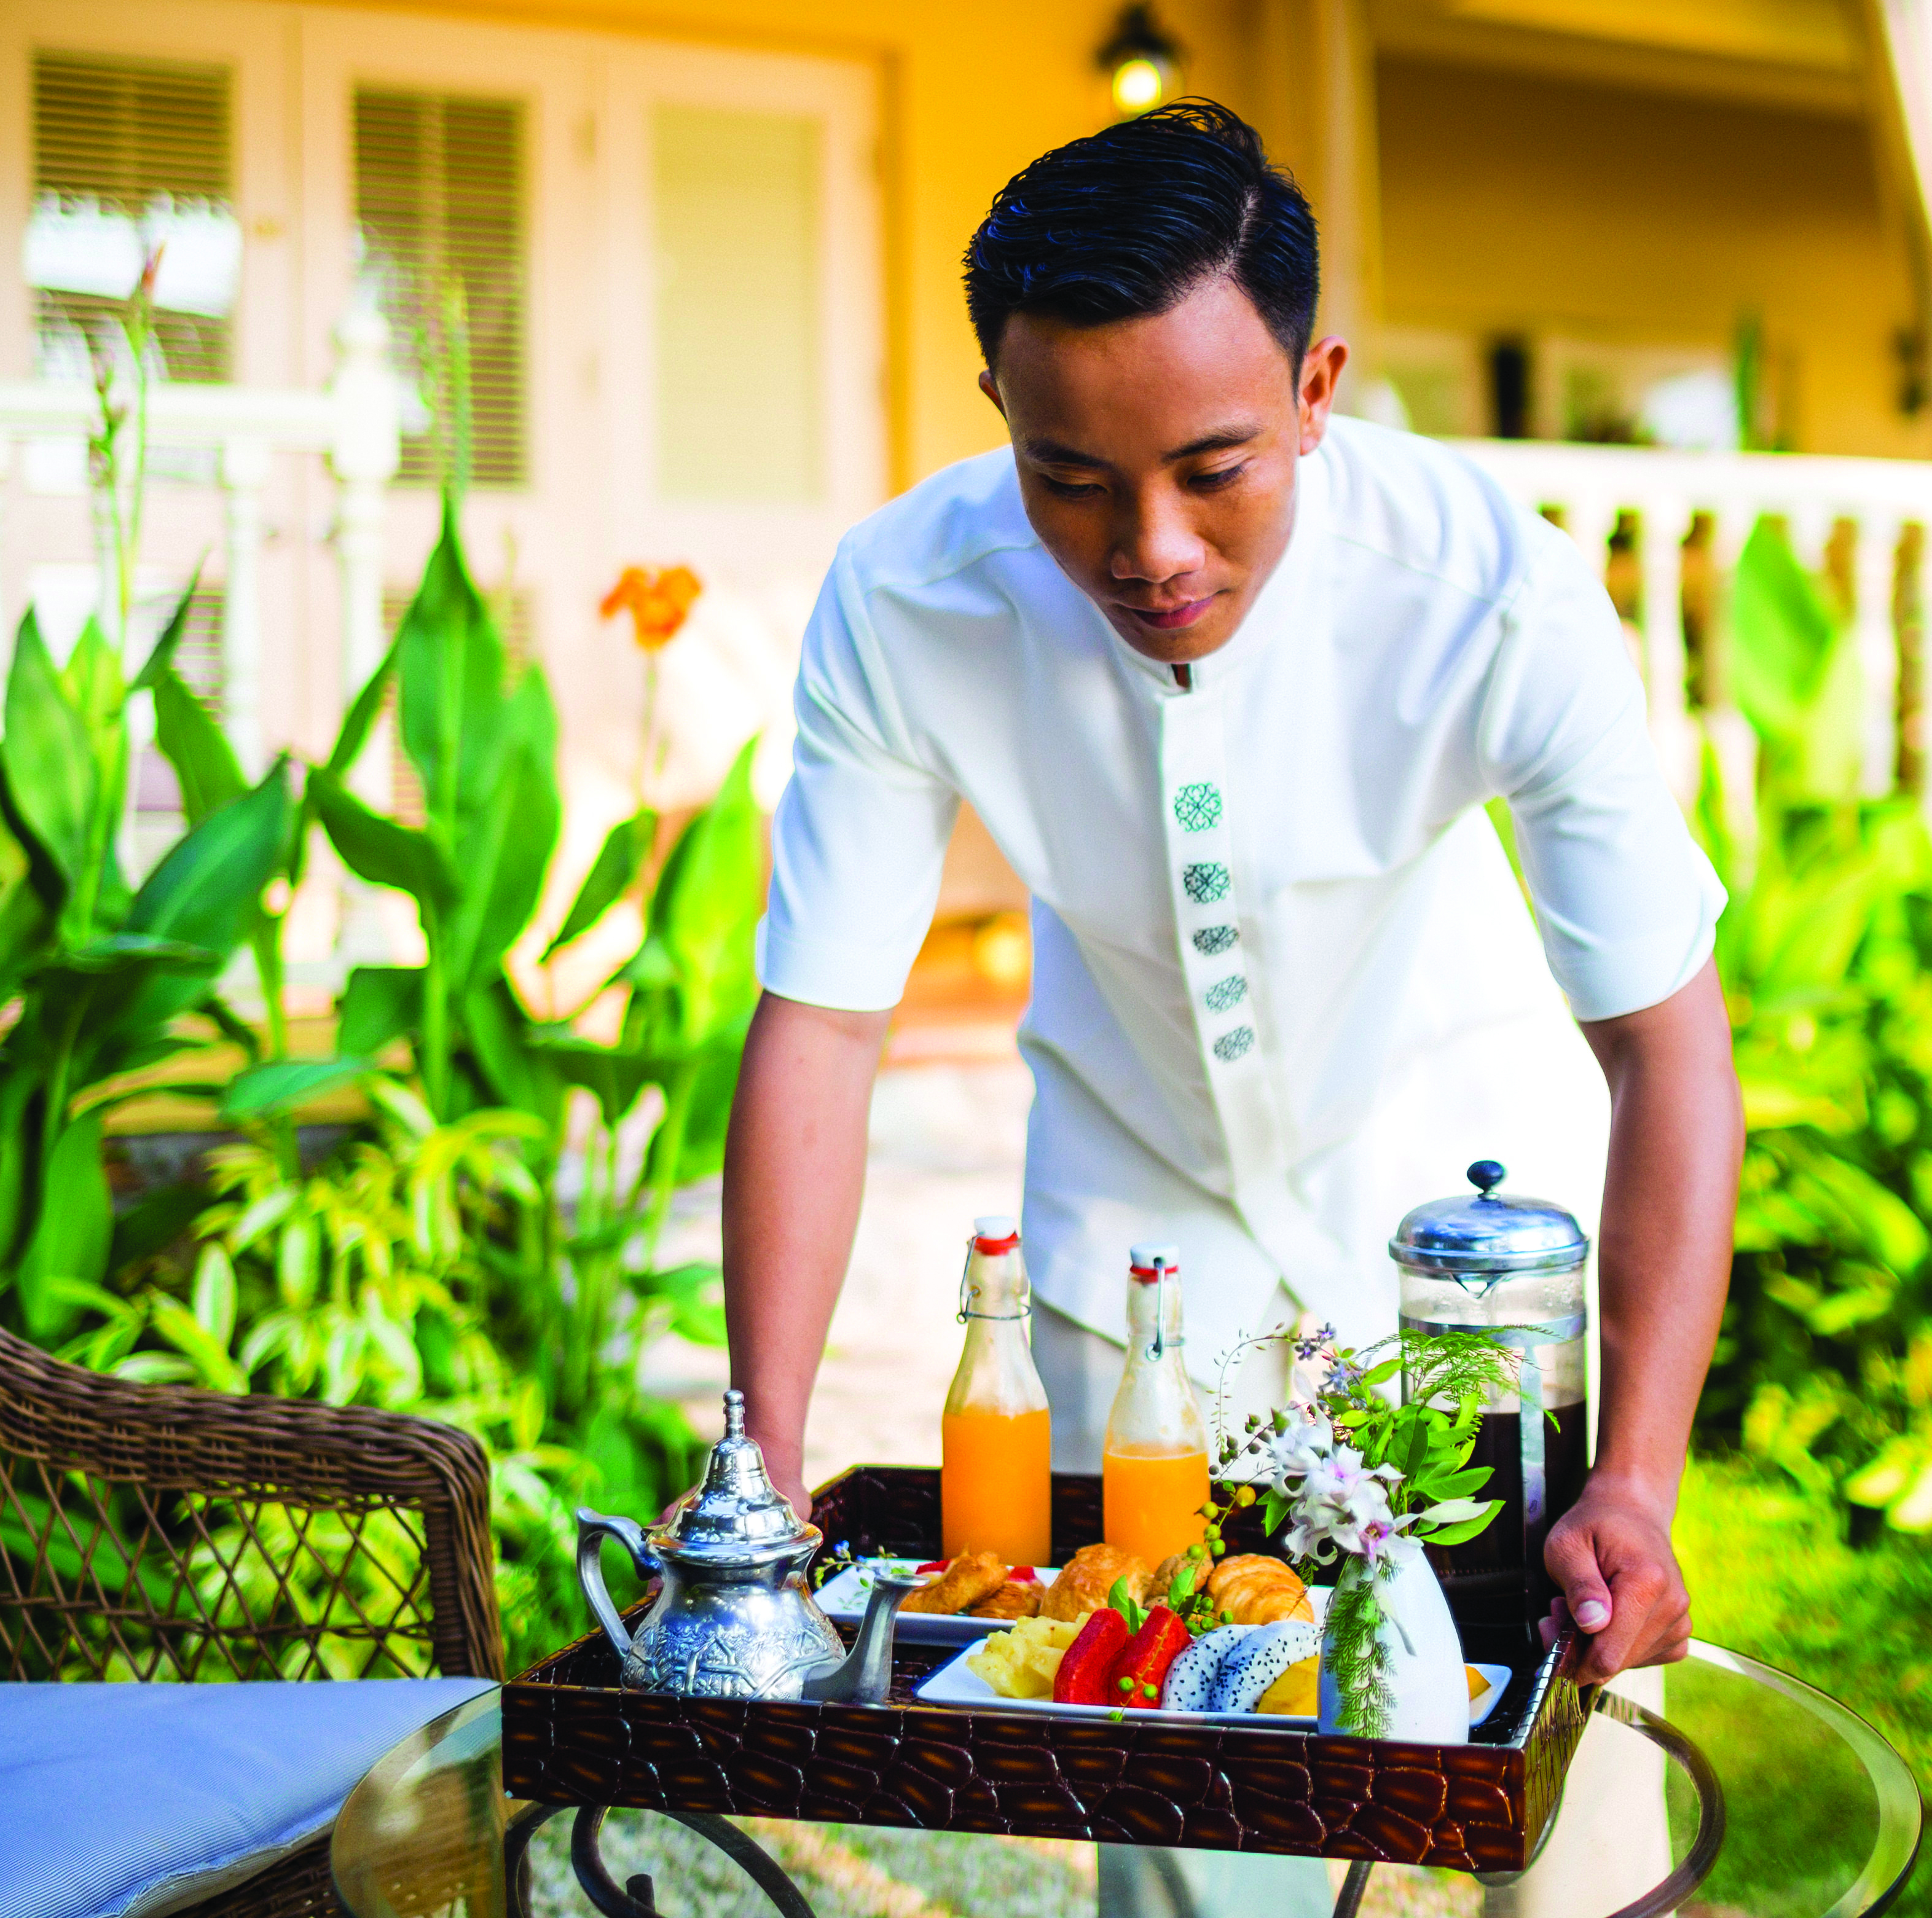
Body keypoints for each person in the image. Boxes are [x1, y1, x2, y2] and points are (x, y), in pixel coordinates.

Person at [720, 100, 1741, 1911]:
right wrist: (763, 1470)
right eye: (1070, 478)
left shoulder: (1493, 594)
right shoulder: (902, 598)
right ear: (1001, 414)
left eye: (1215, 468)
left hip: (1465, 1245)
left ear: (1316, 387)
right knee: (1190, 1831)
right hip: (1137, 1243)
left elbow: (1667, 1051)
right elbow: (821, 1028)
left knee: (1563, 1812)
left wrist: (1642, 1481)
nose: (1152, 548)